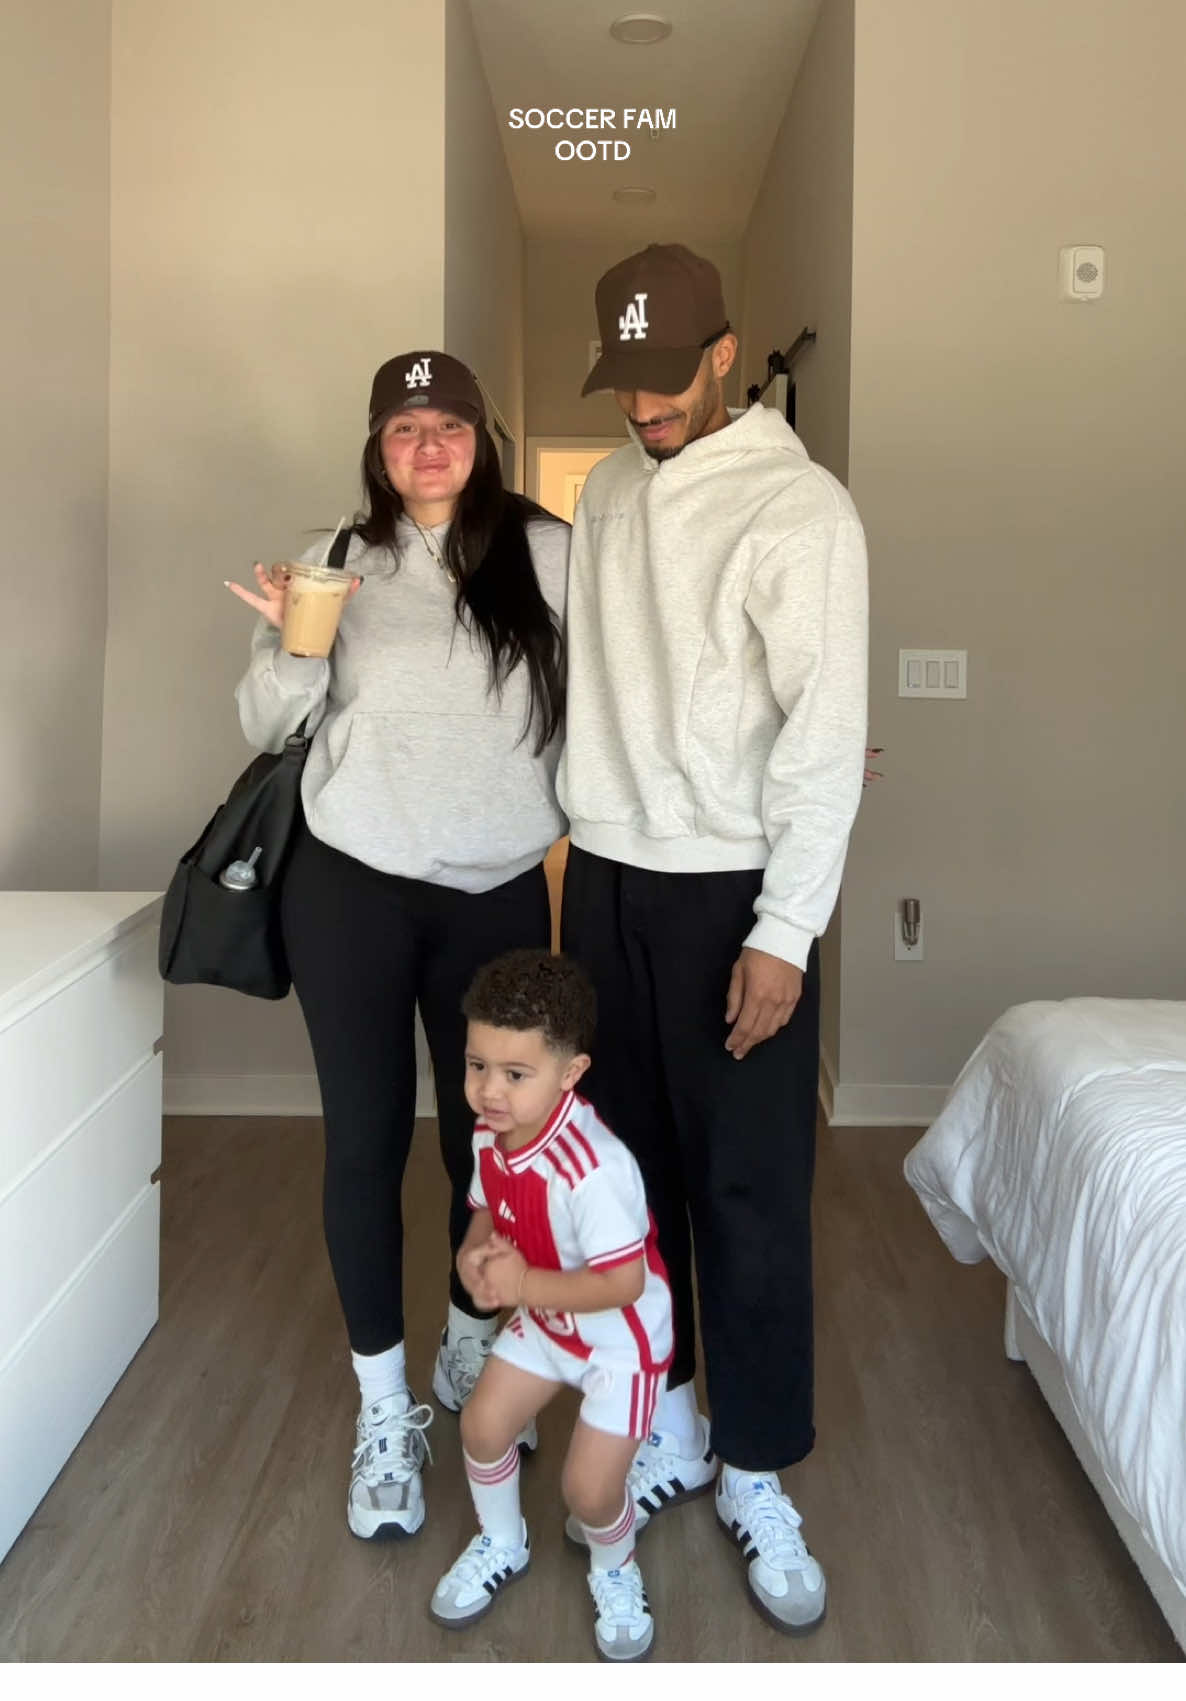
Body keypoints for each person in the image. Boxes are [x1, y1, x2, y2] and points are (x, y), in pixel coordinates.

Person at [558, 245, 868, 1633]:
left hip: (733, 896)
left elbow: (820, 735)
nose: (644, 406)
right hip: (604, 879)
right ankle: (673, 1421)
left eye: (667, 378)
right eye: (623, 383)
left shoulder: (799, 510)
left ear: (725, 354)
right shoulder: (608, 493)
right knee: (632, 1186)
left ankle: (753, 1468)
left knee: (746, 1195)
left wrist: (785, 928)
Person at [227, 351, 569, 1543]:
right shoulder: (336, 556)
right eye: (404, 427)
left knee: (495, 1151)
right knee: (365, 1145)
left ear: (484, 438)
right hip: (351, 889)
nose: (428, 447)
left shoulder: (550, 553)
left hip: (495, 894)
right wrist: (297, 646)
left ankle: (470, 1345)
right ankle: (384, 1409)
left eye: (449, 425)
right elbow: (267, 722)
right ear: (377, 447)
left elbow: (617, 705)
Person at [428, 949, 672, 1663]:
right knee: (481, 1424)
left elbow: (623, 1283)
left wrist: (522, 1288)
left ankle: (615, 1568)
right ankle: (502, 1540)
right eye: (477, 1064)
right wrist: (472, 1255)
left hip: (621, 1340)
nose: (489, 1090)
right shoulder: (488, 1132)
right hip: (547, 1320)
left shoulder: (592, 1168)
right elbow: (484, 1208)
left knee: (588, 1492)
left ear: (570, 1073)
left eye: (515, 1073)